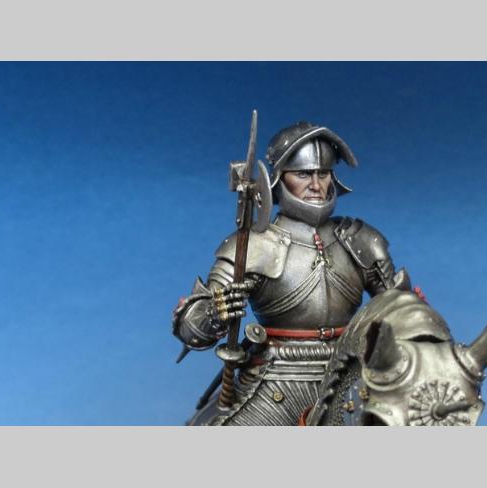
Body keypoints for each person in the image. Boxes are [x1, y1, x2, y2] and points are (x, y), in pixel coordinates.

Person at [172, 121, 411, 425]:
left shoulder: (360, 239)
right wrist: (215, 312)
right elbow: (191, 326)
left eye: (323, 173)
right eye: (303, 174)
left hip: (351, 374)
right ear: (278, 178)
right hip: (276, 378)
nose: (316, 185)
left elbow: (400, 310)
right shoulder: (253, 245)